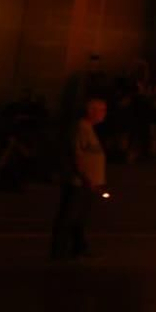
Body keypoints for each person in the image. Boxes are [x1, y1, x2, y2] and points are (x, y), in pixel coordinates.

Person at [49, 97, 108, 259]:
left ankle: (78, 247)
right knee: (68, 216)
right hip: (80, 183)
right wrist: (87, 178)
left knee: (81, 217)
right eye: (101, 110)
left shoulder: (89, 129)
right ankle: (59, 250)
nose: (104, 114)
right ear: (90, 111)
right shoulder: (81, 129)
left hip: (88, 182)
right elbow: (77, 156)